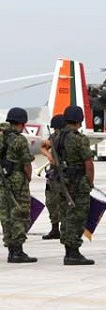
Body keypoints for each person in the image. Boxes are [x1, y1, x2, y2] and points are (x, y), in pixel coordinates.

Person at [58, 106, 95, 265]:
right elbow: (88, 163)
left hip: (62, 182)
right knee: (78, 216)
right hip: (78, 182)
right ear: (79, 120)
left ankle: (68, 250)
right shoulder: (79, 139)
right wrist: (89, 181)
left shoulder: (57, 137)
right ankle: (73, 253)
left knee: (66, 216)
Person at [0, 107, 36, 263]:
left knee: (6, 215)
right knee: (20, 214)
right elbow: (26, 163)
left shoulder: (2, 136)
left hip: (3, 181)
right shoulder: (19, 139)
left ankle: (10, 250)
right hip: (18, 182)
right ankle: (18, 251)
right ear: (22, 122)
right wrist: (28, 178)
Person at [39, 115, 66, 240]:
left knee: (64, 202)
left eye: (57, 129)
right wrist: (49, 156)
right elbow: (43, 146)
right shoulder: (54, 137)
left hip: (64, 174)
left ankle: (65, 229)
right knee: (51, 202)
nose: (56, 131)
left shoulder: (67, 138)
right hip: (53, 174)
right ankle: (55, 229)